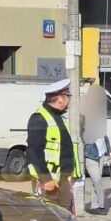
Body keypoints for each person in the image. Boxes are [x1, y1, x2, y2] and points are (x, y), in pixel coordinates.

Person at [26, 79, 81, 212]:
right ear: (60, 99)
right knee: (49, 220)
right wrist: (46, 179)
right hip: (50, 183)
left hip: (62, 180)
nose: (70, 100)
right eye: (68, 96)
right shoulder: (39, 118)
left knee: (65, 220)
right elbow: (34, 151)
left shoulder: (59, 117)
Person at [81, 82, 110, 215]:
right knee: (97, 180)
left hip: (101, 151)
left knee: (95, 181)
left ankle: (94, 206)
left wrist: (108, 150)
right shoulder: (84, 112)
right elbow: (81, 129)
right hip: (91, 152)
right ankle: (102, 206)